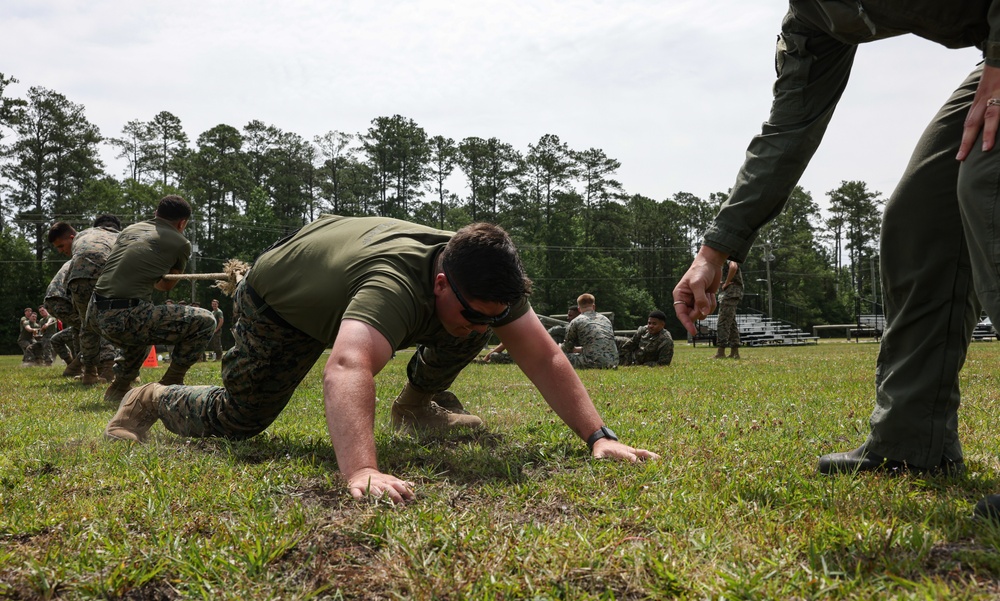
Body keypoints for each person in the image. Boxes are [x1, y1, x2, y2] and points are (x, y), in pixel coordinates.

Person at [671, 3, 996, 506]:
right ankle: (912, 439)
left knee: (988, 184)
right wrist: (715, 249)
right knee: (920, 219)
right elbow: (788, 129)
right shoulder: (812, 17)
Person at [103, 215, 659, 503]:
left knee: (467, 330)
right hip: (283, 301)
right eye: (474, 309)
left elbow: (545, 358)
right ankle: (150, 397)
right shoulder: (392, 286)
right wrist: (362, 470)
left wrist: (600, 436)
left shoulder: (483, 280)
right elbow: (348, 366)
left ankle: (415, 407)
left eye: (499, 313)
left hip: (346, 276)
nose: (489, 325)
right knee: (242, 420)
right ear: (440, 281)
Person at [90, 195, 216, 403]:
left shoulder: (130, 229)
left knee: (144, 323)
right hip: (124, 317)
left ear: (156, 214)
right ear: (182, 223)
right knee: (205, 321)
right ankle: (170, 382)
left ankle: (119, 387)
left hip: (95, 314)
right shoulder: (180, 243)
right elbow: (164, 285)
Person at [48, 216, 122, 384]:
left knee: (87, 325)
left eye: (60, 246)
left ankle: (89, 374)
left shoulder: (85, 234)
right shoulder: (120, 236)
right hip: (106, 276)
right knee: (108, 322)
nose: (60, 251)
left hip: (78, 279)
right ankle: (110, 369)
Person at [44, 260, 82, 376]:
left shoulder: (75, 261)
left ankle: (79, 367)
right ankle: (74, 366)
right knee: (89, 332)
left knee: (84, 332)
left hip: (54, 302)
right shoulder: (81, 262)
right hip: (63, 301)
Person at [561, 293, 618, 369]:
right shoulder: (606, 319)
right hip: (613, 362)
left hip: (593, 363)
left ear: (579, 308)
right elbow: (601, 344)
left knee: (561, 357)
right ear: (594, 306)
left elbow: (567, 347)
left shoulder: (576, 321)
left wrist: (559, 347)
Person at [714, 260, 743, 360]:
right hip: (732, 293)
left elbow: (733, 267)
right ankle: (734, 352)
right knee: (731, 323)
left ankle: (721, 352)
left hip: (730, 293)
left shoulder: (729, 256)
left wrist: (726, 283)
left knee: (723, 322)